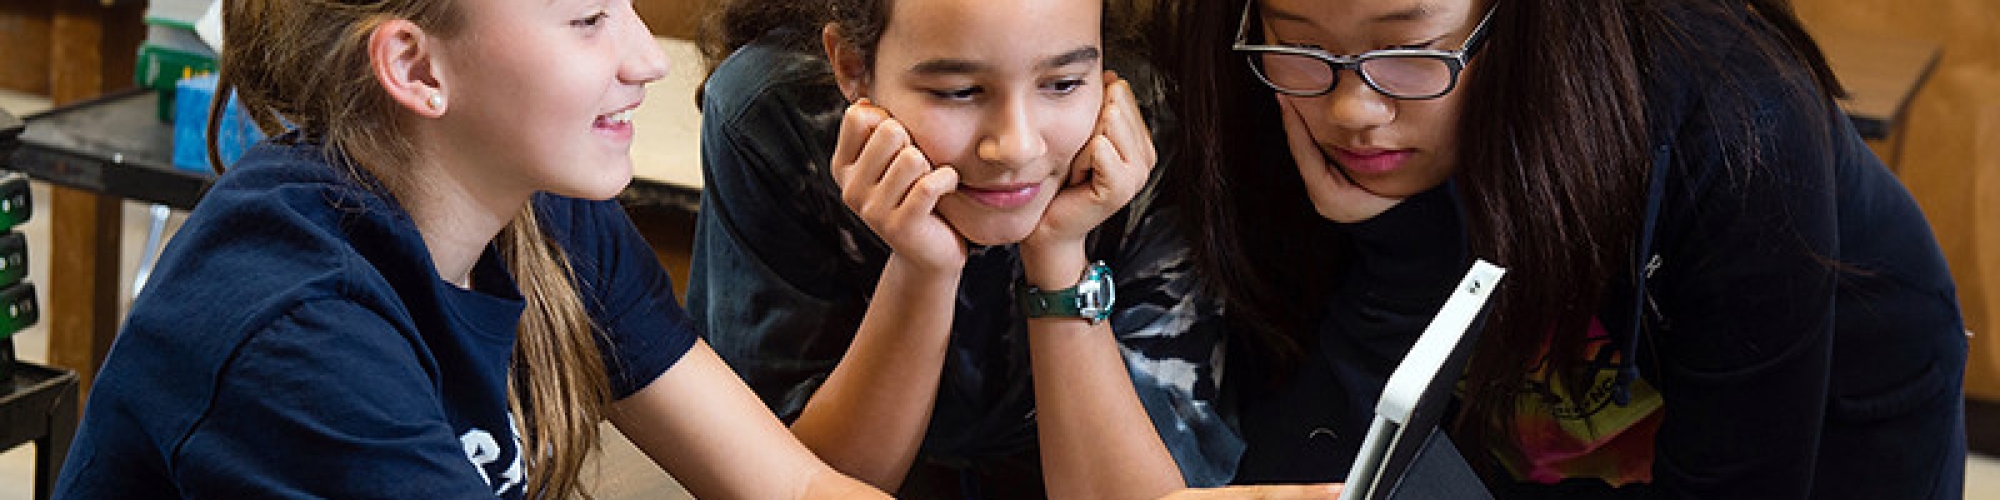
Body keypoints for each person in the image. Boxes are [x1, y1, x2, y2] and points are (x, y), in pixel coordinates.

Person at [51, 0, 887, 498]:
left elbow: (793, 485)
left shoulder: (542, 210)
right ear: (415, 68)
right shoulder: (298, 335)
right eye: (588, 19)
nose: (645, 59)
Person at [1151, 0, 1969, 498]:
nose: (1352, 109)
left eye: (1406, 50)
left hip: (1825, 421)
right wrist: (1401, 255)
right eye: (1301, 44)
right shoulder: (1260, 84)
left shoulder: (1735, 120)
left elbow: (1742, 481)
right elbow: (1308, 466)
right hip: (1551, 428)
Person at [686, 0, 1253, 498]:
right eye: (959, 92)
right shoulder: (771, 115)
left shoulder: (1144, 126)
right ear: (853, 67)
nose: (1017, 147)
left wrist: (1058, 257)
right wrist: (923, 269)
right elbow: (786, 482)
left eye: (1062, 84)